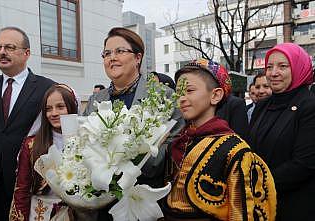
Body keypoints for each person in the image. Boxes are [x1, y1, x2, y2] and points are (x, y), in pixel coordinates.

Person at [83, 27, 184, 220]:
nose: (111, 58)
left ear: (138, 57)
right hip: (102, 203)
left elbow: (168, 152)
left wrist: (126, 158)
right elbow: (84, 148)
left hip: (143, 200)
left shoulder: (164, 97)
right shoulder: (95, 101)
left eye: (119, 51)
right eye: (107, 53)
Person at [163, 59, 276, 221]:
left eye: (189, 90)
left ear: (215, 95)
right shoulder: (178, 142)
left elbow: (243, 212)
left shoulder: (235, 150)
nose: (181, 98)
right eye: (179, 92)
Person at [0, 27, 54, 221]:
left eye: (9, 47)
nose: (2, 52)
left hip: (30, 185)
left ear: (26, 53)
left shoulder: (46, 88)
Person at [248, 43, 315, 221]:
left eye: (283, 66)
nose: (273, 72)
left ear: (299, 68)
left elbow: (304, 164)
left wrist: (258, 184)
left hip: (294, 206)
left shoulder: (309, 106)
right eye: (269, 67)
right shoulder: (262, 106)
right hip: (258, 205)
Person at [10, 84, 78, 221]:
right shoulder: (31, 145)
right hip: (40, 214)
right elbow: (22, 189)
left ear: (72, 108)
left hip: (77, 214)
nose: (53, 113)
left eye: (60, 107)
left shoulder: (86, 141)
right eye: (48, 109)